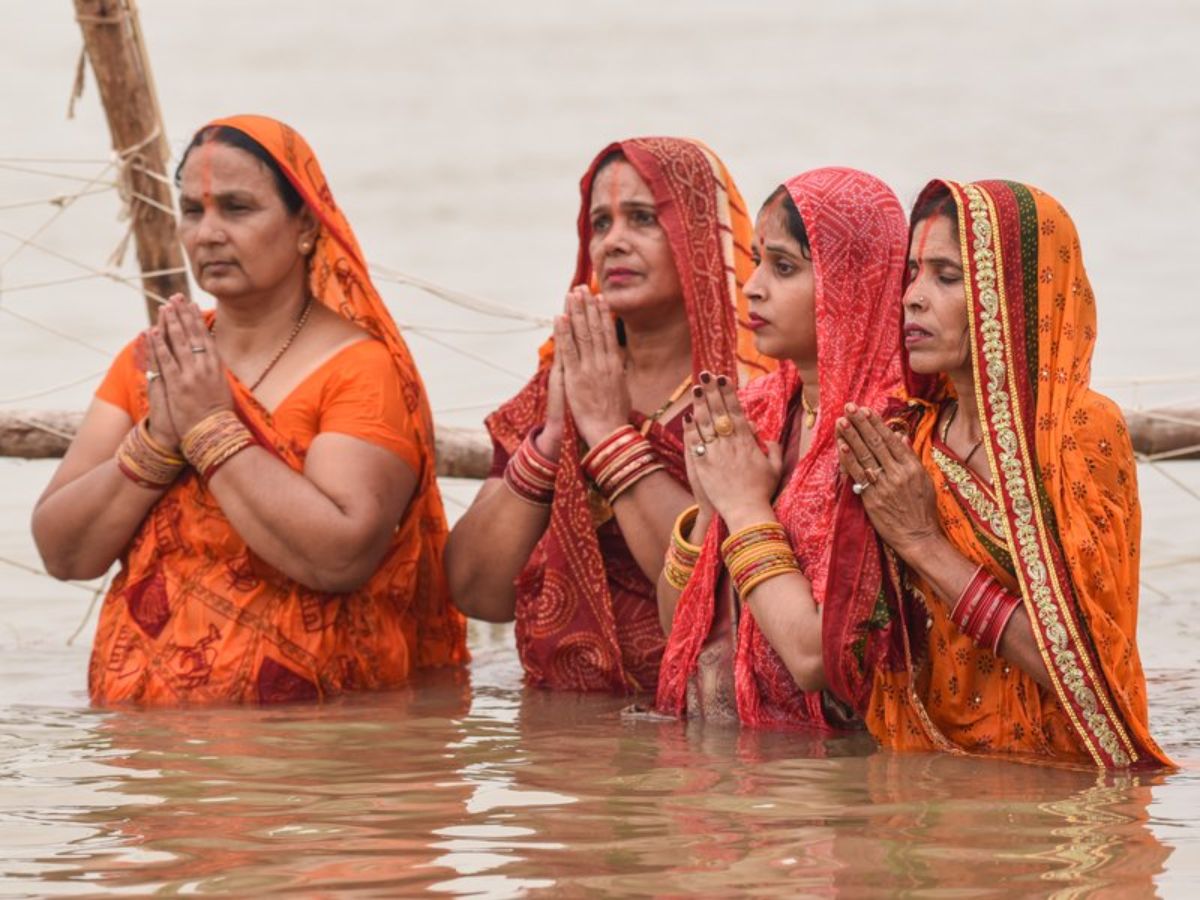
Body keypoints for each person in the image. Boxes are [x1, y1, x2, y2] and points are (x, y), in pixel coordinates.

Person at [31, 115, 466, 705]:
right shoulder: (154, 361)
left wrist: (210, 428)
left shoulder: (359, 368)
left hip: (313, 756)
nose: (208, 234)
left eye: (236, 209)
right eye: (193, 211)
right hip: (145, 755)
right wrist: (158, 440)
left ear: (307, 225)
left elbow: (340, 557)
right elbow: (63, 552)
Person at [834, 179, 1171, 767]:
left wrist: (922, 544)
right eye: (912, 272)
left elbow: (1083, 672)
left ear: (1012, 294)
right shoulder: (909, 437)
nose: (911, 297)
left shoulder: (1079, 431)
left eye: (945, 276)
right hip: (927, 784)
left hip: (1060, 794)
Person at [446, 137, 771, 693]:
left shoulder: (748, 393)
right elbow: (477, 590)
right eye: (600, 224)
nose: (613, 242)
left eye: (642, 219)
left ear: (698, 237)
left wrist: (607, 435)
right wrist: (551, 442)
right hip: (564, 735)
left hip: (699, 729)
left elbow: (709, 597)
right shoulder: (562, 381)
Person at [655, 167, 908, 726]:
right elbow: (678, 625)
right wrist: (706, 508)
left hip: (830, 782)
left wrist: (745, 507)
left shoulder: (890, 429)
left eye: (784, 267)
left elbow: (815, 657)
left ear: (853, 281)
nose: (752, 286)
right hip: (730, 767)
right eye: (755, 261)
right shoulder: (760, 410)